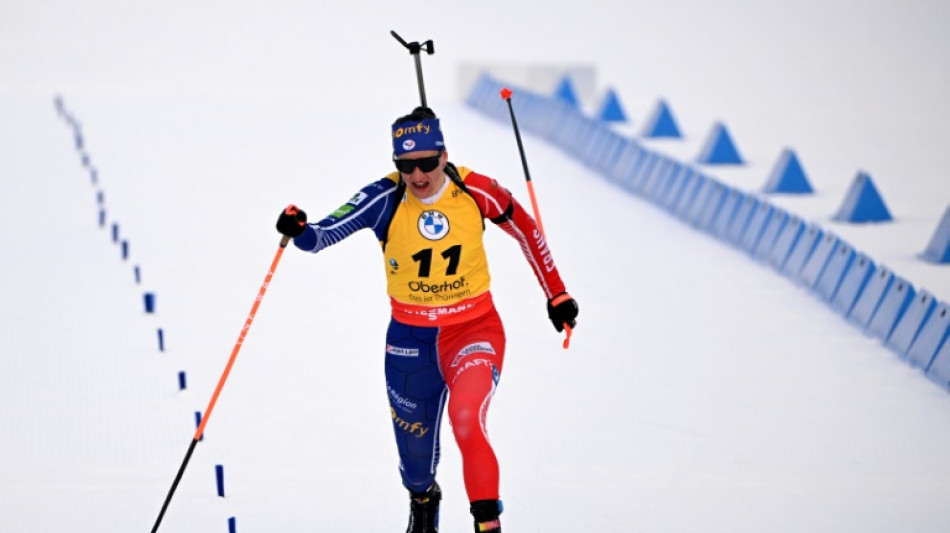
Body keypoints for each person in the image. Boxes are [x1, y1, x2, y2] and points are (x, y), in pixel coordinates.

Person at [275, 106, 578, 533]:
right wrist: (299, 228)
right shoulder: (386, 196)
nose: (417, 176)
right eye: (406, 165)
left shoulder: (475, 189)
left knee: (467, 418)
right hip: (410, 342)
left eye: (427, 164)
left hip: (473, 330)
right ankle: (423, 499)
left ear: (444, 154)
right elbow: (322, 235)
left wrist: (557, 292)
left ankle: (487, 524)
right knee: (416, 466)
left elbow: (525, 227)